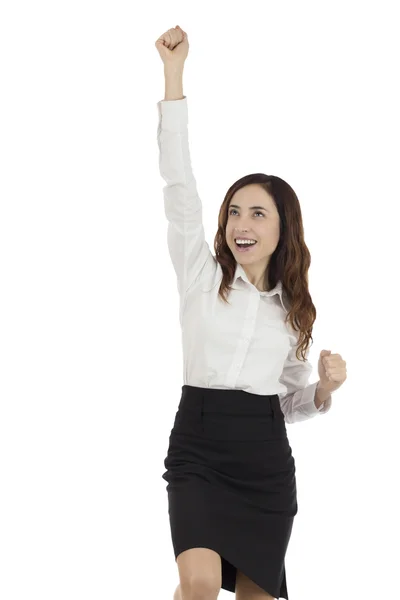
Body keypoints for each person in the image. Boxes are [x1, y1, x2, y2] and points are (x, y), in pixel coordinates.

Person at [155, 26, 347, 600]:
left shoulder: (293, 312)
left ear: (283, 227)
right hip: (199, 442)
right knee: (198, 583)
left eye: (258, 214)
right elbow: (179, 184)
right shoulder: (200, 275)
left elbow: (287, 403)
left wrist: (324, 389)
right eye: (235, 211)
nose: (242, 223)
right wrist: (173, 77)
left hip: (264, 463)